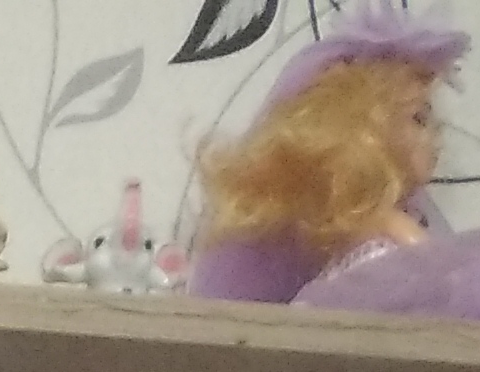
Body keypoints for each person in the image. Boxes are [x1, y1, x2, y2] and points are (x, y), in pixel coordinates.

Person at [190, 8, 460, 307]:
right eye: (418, 119)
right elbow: (439, 277)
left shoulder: (400, 223)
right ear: (366, 131)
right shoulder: (384, 236)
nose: (436, 136)